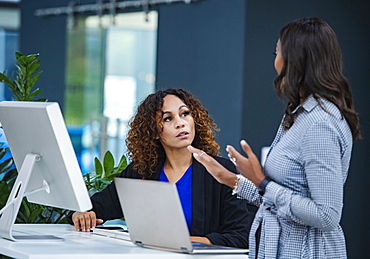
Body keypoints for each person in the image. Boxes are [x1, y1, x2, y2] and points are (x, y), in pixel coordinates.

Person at [188, 18, 360, 258]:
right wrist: (230, 179)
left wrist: (262, 181)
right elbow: (280, 199)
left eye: (277, 52)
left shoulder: (320, 125)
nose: (275, 60)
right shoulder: (298, 114)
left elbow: (327, 215)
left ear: (294, 60)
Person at [68, 88, 255, 248]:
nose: (180, 123)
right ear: (154, 131)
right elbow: (97, 207)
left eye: (185, 114)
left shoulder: (220, 170)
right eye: (167, 119)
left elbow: (239, 237)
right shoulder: (141, 171)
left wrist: (181, 243)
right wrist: (82, 214)